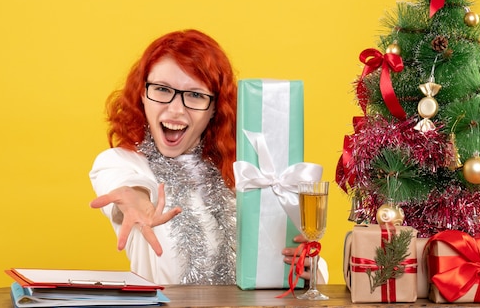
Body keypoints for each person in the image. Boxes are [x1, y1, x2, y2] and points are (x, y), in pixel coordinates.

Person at [89, 29, 326, 286]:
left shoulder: (248, 173)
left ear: (215, 108)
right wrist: (135, 198)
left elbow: (296, 261)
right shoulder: (120, 162)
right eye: (161, 89)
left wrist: (308, 268)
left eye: (195, 95)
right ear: (142, 94)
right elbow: (124, 184)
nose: (176, 109)